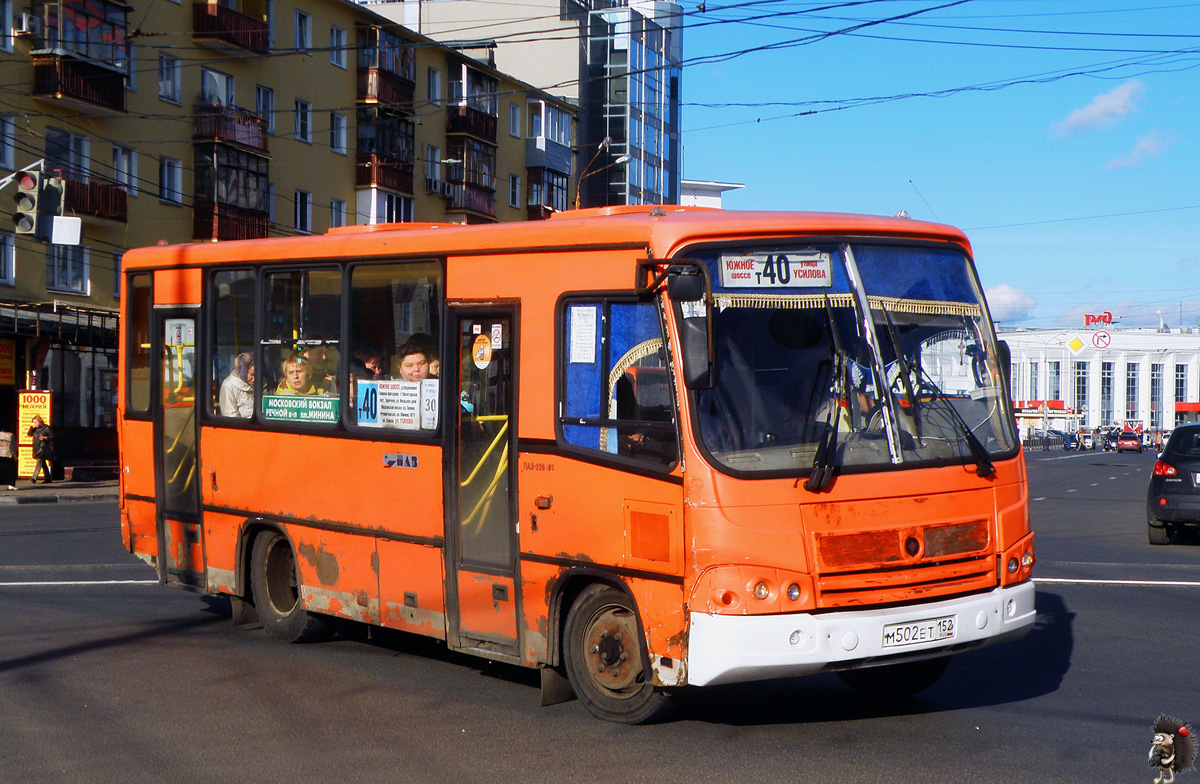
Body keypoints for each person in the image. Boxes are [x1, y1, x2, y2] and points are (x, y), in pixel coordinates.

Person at [219, 352, 255, 418]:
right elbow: (230, 415)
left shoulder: (262, 383)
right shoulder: (229, 385)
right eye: (252, 375)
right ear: (243, 371)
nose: (255, 379)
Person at [27, 415, 54, 484]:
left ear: (39, 421)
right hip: (37, 447)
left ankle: (34, 478)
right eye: (33, 422)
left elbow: (53, 436)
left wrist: (45, 438)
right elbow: (29, 434)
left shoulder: (46, 428)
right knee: (43, 464)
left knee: (39, 462)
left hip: (43, 448)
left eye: (36, 422)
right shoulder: (35, 429)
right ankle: (48, 478)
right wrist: (32, 428)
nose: (34, 424)